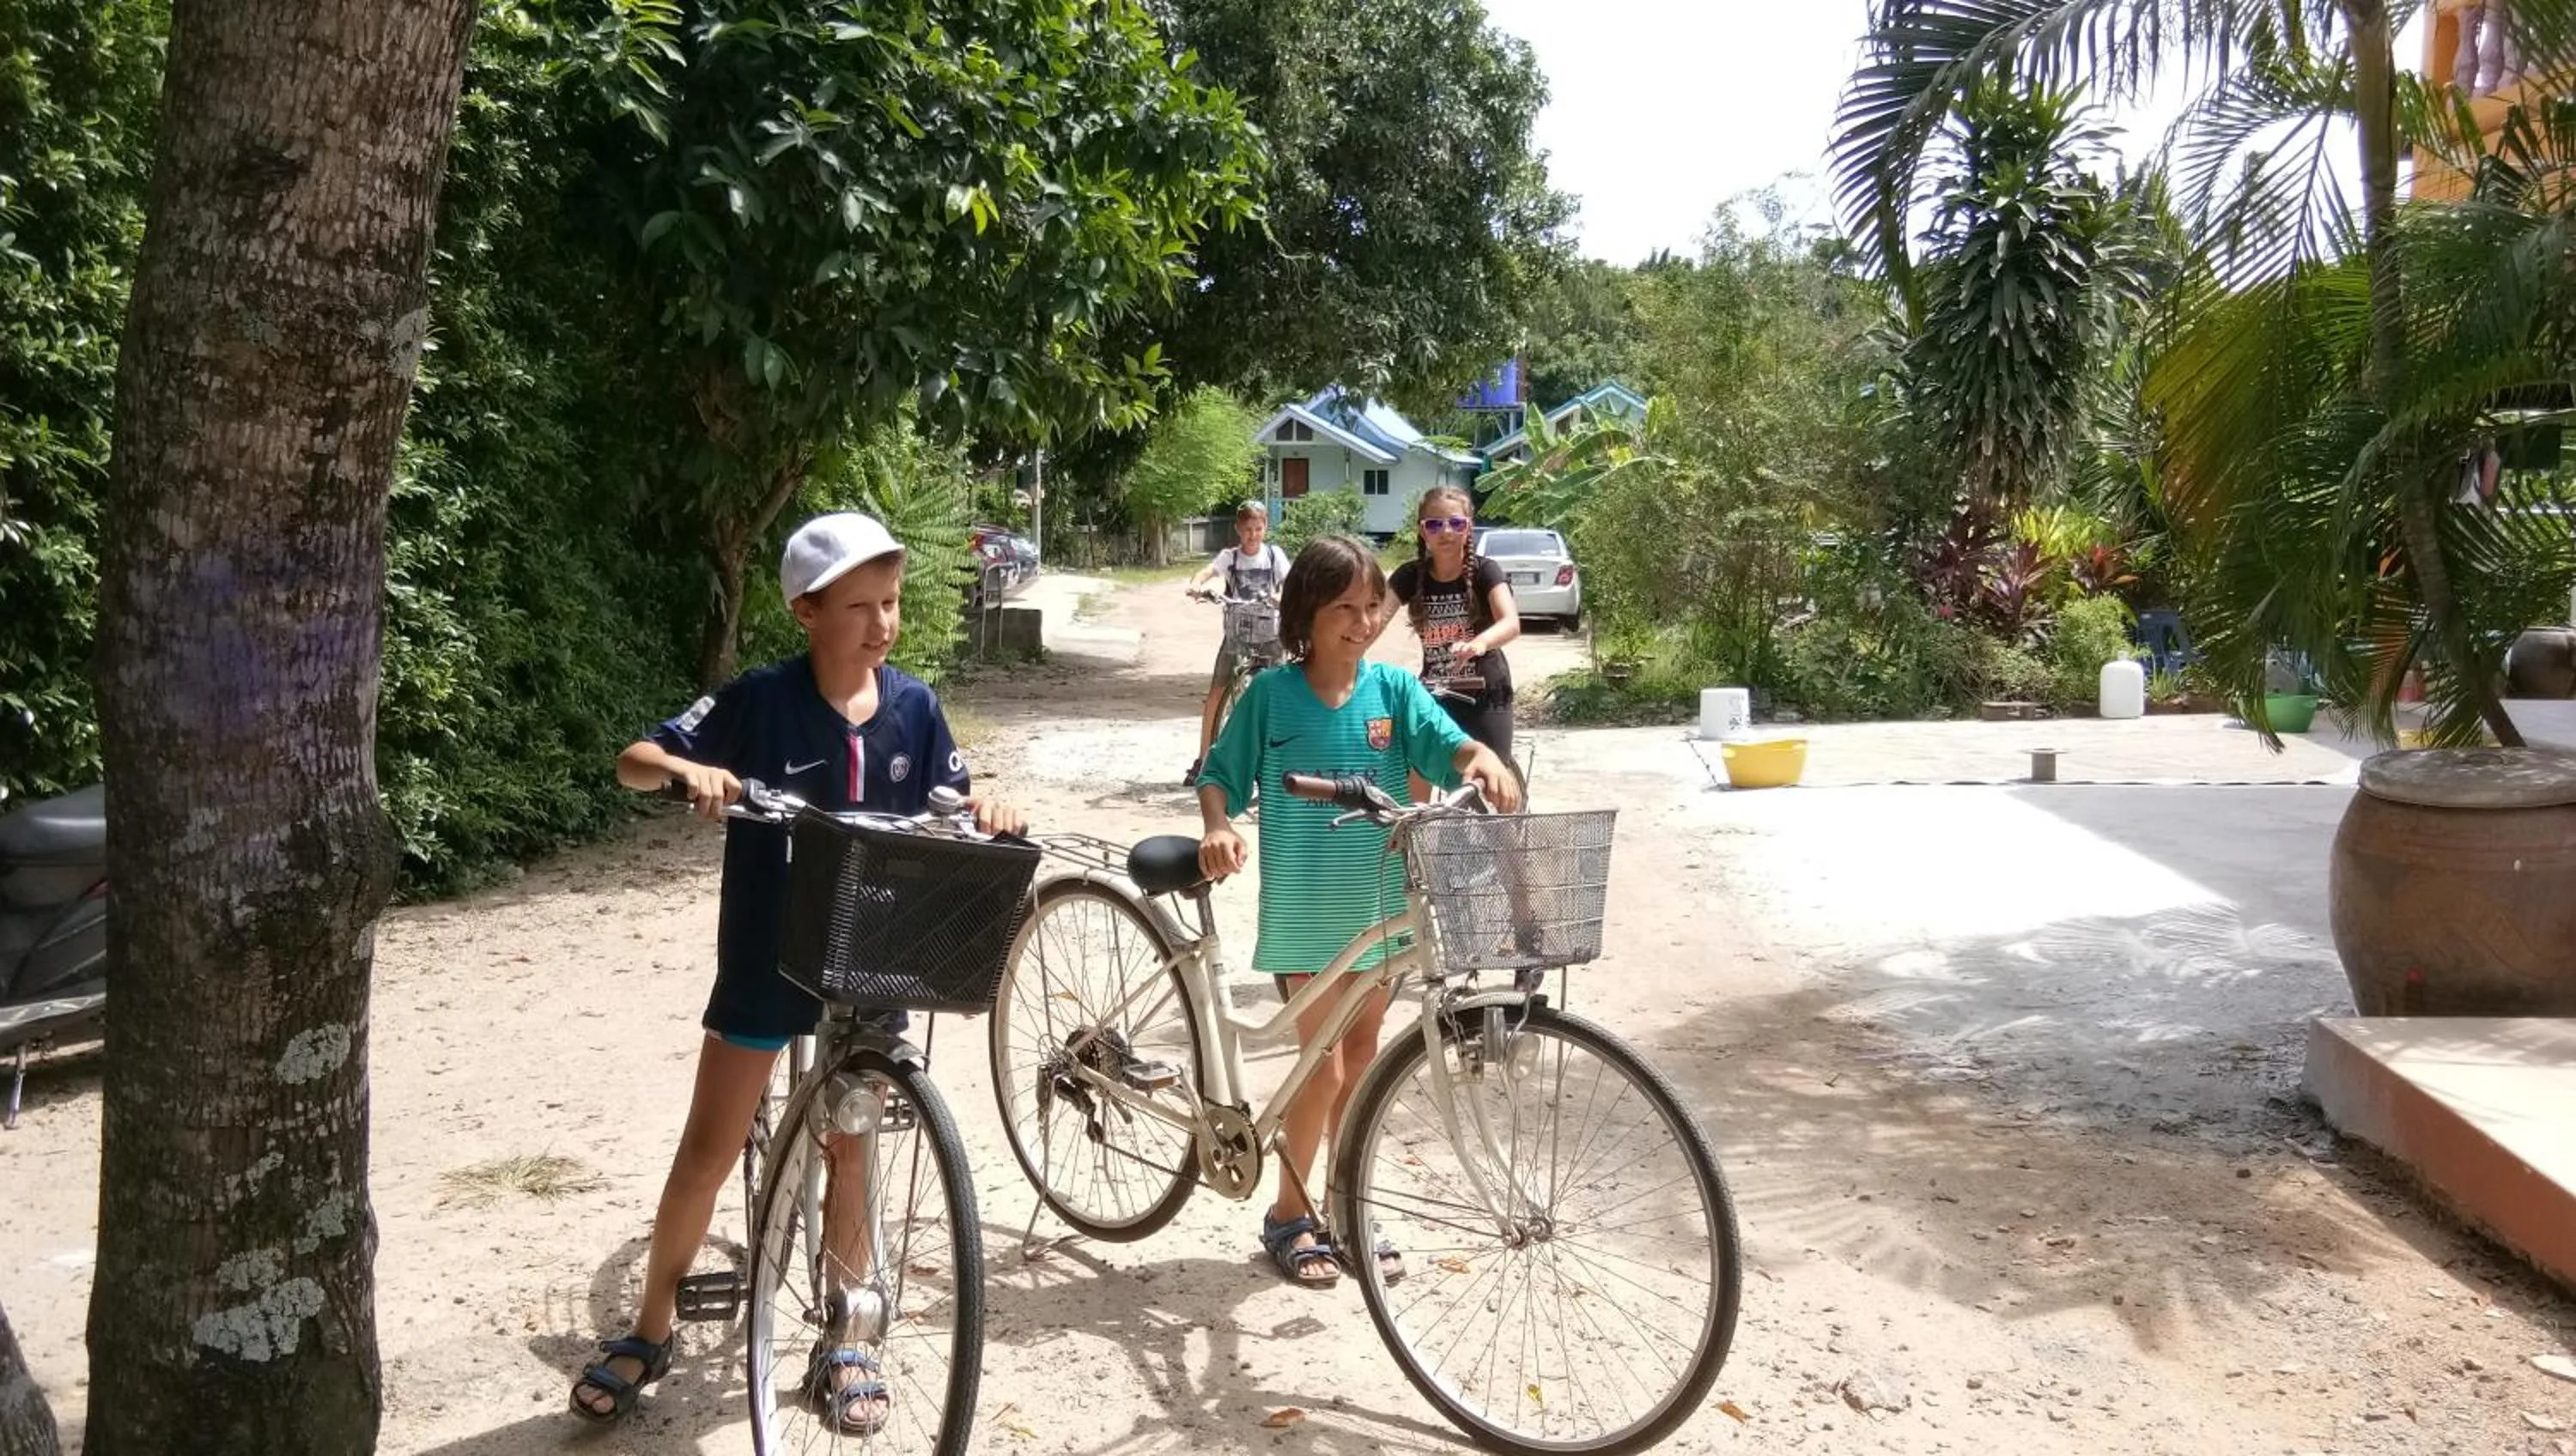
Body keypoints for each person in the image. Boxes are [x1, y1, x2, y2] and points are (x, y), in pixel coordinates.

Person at [572, 512, 1024, 1431]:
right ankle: (652, 1325)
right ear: (805, 610)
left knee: (851, 1148)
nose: (881, 624)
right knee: (708, 1146)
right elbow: (635, 759)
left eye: (890, 604)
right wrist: (690, 774)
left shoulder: (916, 708)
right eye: (859, 606)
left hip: (870, 961)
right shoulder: (761, 700)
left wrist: (985, 802)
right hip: (767, 957)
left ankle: (848, 1335)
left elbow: (959, 792)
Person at [1194, 534, 1520, 1287]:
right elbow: (1220, 776)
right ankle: (1287, 1213)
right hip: (1306, 911)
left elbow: (1449, 747)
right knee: (1324, 1071)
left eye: (1373, 605)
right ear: (1305, 612)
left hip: (1381, 911)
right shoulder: (1272, 696)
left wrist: (1484, 760)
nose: (1363, 620)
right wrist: (1218, 823)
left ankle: (1347, 1207)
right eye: (1344, 607)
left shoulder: (1394, 692)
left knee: (1362, 1065)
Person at [1386, 483, 1522, 769]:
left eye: (1456, 523)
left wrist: (1480, 643)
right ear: (1423, 531)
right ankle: (1425, 817)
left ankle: (1506, 813)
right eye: (1435, 524)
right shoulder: (1409, 575)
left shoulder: (1486, 570)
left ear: (1468, 528)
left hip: (1486, 692)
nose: (1446, 531)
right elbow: (1372, 619)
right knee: (1416, 769)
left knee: (1491, 774)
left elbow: (1510, 623)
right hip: (1435, 692)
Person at [1182, 500, 1289, 784]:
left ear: (1266, 527)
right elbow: (1207, 572)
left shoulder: (1274, 556)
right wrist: (1197, 585)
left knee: (1279, 696)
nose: (1253, 535)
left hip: (1269, 637)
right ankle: (1203, 759)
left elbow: (1289, 582)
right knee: (1217, 692)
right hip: (1236, 636)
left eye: (1258, 528)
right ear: (1238, 529)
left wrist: (1282, 595)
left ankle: (1278, 762)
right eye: (1248, 529)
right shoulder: (1230, 557)